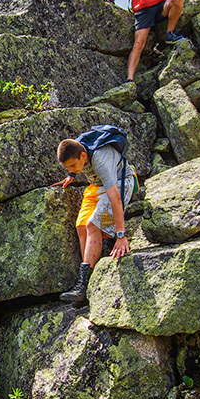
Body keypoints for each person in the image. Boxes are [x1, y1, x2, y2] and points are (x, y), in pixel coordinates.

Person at [51, 128, 138, 302]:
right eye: (68, 167)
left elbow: (115, 198)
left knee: (93, 224)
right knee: (82, 225)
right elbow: (73, 158)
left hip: (121, 182)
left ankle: (83, 286)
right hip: (97, 185)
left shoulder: (100, 160)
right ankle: (87, 280)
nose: (72, 169)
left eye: (73, 166)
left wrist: (121, 235)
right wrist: (71, 176)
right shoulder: (76, 147)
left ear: (84, 156)